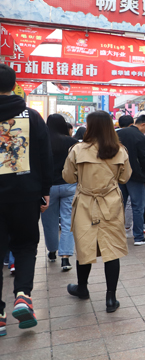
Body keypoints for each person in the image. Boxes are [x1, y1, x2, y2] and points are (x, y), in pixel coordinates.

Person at [0, 64, 52, 333]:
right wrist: (44, 190)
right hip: (26, 194)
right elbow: (45, 157)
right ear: (14, 84)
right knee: (25, 245)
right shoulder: (32, 117)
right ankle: (23, 296)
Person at [63, 110, 131, 313]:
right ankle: (111, 298)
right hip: (111, 203)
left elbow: (68, 177)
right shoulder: (119, 150)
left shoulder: (77, 149)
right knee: (112, 250)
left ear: (90, 126)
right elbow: (124, 178)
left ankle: (82, 288)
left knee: (85, 247)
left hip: (85, 202)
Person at [41, 114, 78, 272]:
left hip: (48, 187)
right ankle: (65, 258)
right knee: (68, 221)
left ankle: (52, 252)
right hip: (69, 185)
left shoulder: (42, 141)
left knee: (49, 222)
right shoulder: (72, 142)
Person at [117, 114, 145, 246]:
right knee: (138, 206)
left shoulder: (118, 134)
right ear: (143, 124)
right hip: (135, 176)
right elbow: (143, 158)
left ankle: (117, 236)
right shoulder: (140, 137)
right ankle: (138, 237)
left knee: (120, 205)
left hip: (119, 175)